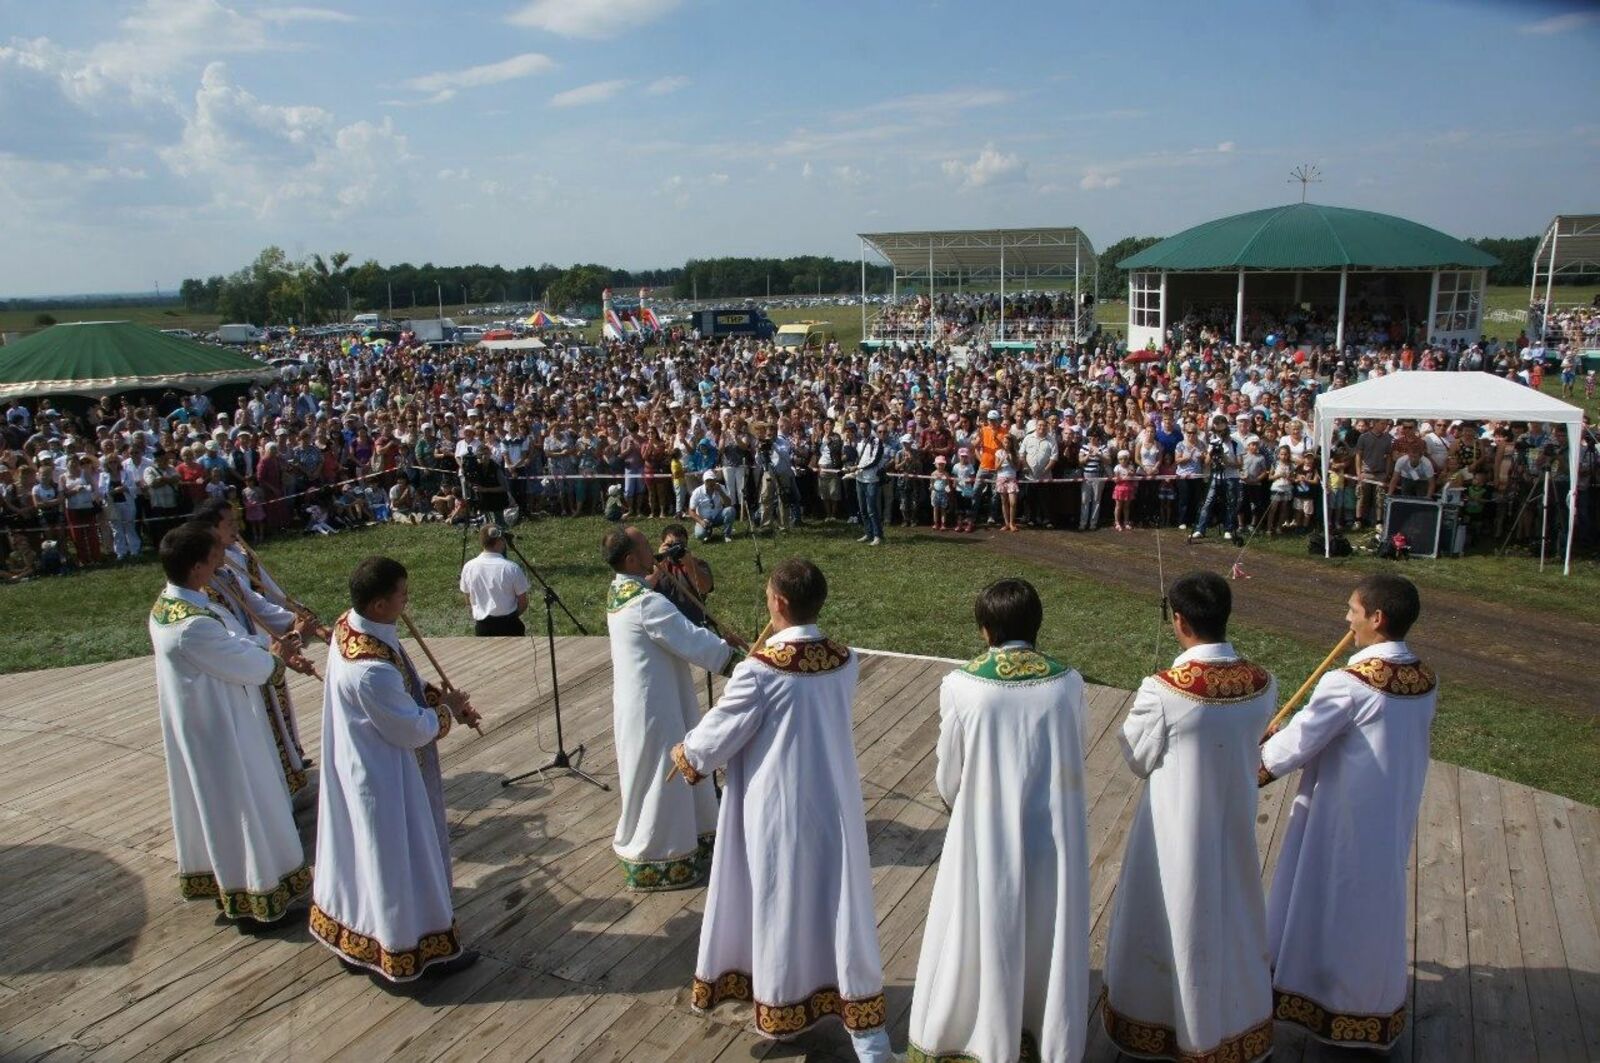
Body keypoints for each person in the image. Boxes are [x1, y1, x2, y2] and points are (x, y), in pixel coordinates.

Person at [670, 559, 893, 1063]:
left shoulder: (760, 671)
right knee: (832, 903)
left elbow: (719, 733)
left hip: (777, 807)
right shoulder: (844, 659)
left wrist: (685, 754)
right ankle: (842, 1008)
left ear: (778, 604)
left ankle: (785, 1000)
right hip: (834, 805)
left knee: (779, 901)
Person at [907, 579, 1091, 1063]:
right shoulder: (1067, 682)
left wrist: (962, 805)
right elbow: (1077, 749)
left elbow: (950, 775)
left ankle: (982, 1038)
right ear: (1036, 625)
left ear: (985, 631)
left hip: (985, 835)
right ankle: (1041, 1035)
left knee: (983, 929)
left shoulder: (964, 685)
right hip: (1054, 836)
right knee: (1044, 933)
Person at [1102, 571, 1275, 1063]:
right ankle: (1231, 1025)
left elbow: (1136, 757)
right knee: (1233, 918)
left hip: (1172, 829)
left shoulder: (1163, 689)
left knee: (1168, 918)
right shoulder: (1262, 682)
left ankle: (1163, 1024)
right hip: (1234, 825)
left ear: (1179, 621)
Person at [1258, 575, 1435, 1051]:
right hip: (1390, 813)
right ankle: (1371, 1008)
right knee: (1372, 911)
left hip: (1343, 817)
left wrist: (1254, 757)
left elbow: (1296, 746)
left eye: (1352, 611)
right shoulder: (1423, 677)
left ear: (1377, 619)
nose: (1347, 619)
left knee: (1332, 906)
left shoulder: (1348, 683)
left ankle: (1331, 1003)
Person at [310, 555, 483, 981]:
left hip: (361, 764)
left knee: (360, 857)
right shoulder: (369, 670)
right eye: (402, 596)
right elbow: (412, 729)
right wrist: (446, 712)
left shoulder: (348, 625)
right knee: (400, 861)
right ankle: (415, 947)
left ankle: (356, 939)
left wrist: (432, 694)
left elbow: (403, 682)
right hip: (386, 777)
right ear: (380, 605)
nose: (408, 602)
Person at [148, 522, 311, 927]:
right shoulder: (193, 625)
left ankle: (235, 887)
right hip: (224, 732)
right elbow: (252, 666)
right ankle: (256, 897)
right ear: (199, 567)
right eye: (215, 556)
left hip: (207, 725)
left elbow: (234, 641)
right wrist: (276, 653)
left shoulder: (171, 606)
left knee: (221, 809)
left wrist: (264, 647)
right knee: (244, 808)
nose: (222, 560)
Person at [603, 526, 744, 890]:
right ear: (632, 558)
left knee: (650, 770)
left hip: (644, 697)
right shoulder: (647, 602)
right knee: (661, 774)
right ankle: (661, 853)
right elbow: (688, 639)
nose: (655, 551)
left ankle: (689, 837)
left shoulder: (621, 590)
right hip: (656, 704)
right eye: (647, 547)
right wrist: (736, 660)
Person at [459, 524, 530, 636]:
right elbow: (523, 602)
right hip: (510, 625)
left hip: (483, 628)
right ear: (499, 542)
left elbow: (468, 599)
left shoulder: (469, 567)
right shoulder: (511, 568)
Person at [688, 469, 736, 542]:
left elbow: (728, 504)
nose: (710, 483)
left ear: (715, 480)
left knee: (730, 510)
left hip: (718, 516)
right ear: (704, 481)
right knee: (700, 535)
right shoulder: (697, 492)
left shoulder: (721, 487)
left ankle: (727, 534)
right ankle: (707, 532)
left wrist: (720, 492)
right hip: (704, 519)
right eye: (708, 481)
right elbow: (691, 511)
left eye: (712, 480)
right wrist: (701, 522)